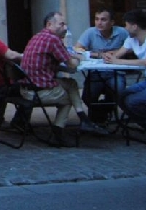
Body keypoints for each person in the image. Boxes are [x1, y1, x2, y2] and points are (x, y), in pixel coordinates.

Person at [20, 11, 104, 145]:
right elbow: (72, 65)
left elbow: (53, 61)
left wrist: (71, 56)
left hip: (27, 88)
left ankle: (84, 120)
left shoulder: (37, 36)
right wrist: (79, 58)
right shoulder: (53, 40)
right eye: (61, 24)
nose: (65, 28)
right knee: (68, 98)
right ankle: (58, 133)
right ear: (49, 24)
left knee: (71, 83)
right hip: (38, 92)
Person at [106, 9, 146, 143]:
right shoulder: (132, 40)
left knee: (132, 101)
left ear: (134, 26)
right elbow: (117, 55)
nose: (125, 28)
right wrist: (109, 56)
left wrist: (118, 61)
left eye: (126, 25)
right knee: (121, 97)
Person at [76, 8, 131, 123]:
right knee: (87, 97)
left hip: (116, 72)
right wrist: (98, 54)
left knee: (120, 93)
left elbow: (133, 47)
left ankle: (102, 113)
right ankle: (100, 115)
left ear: (112, 22)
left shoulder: (122, 32)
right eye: (97, 19)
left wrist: (116, 53)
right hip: (96, 72)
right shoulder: (90, 32)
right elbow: (77, 49)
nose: (99, 23)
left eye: (103, 19)